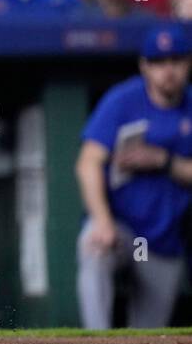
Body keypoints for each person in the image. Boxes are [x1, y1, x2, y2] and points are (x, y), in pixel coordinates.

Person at [76, 24, 192, 328]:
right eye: (158, 62)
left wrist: (164, 161)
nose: (168, 71)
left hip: (166, 239)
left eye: (176, 61)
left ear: (187, 63)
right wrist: (102, 220)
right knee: (94, 246)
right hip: (121, 228)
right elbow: (88, 163)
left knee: (149, 339)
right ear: (144, 65)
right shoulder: (123, 101)